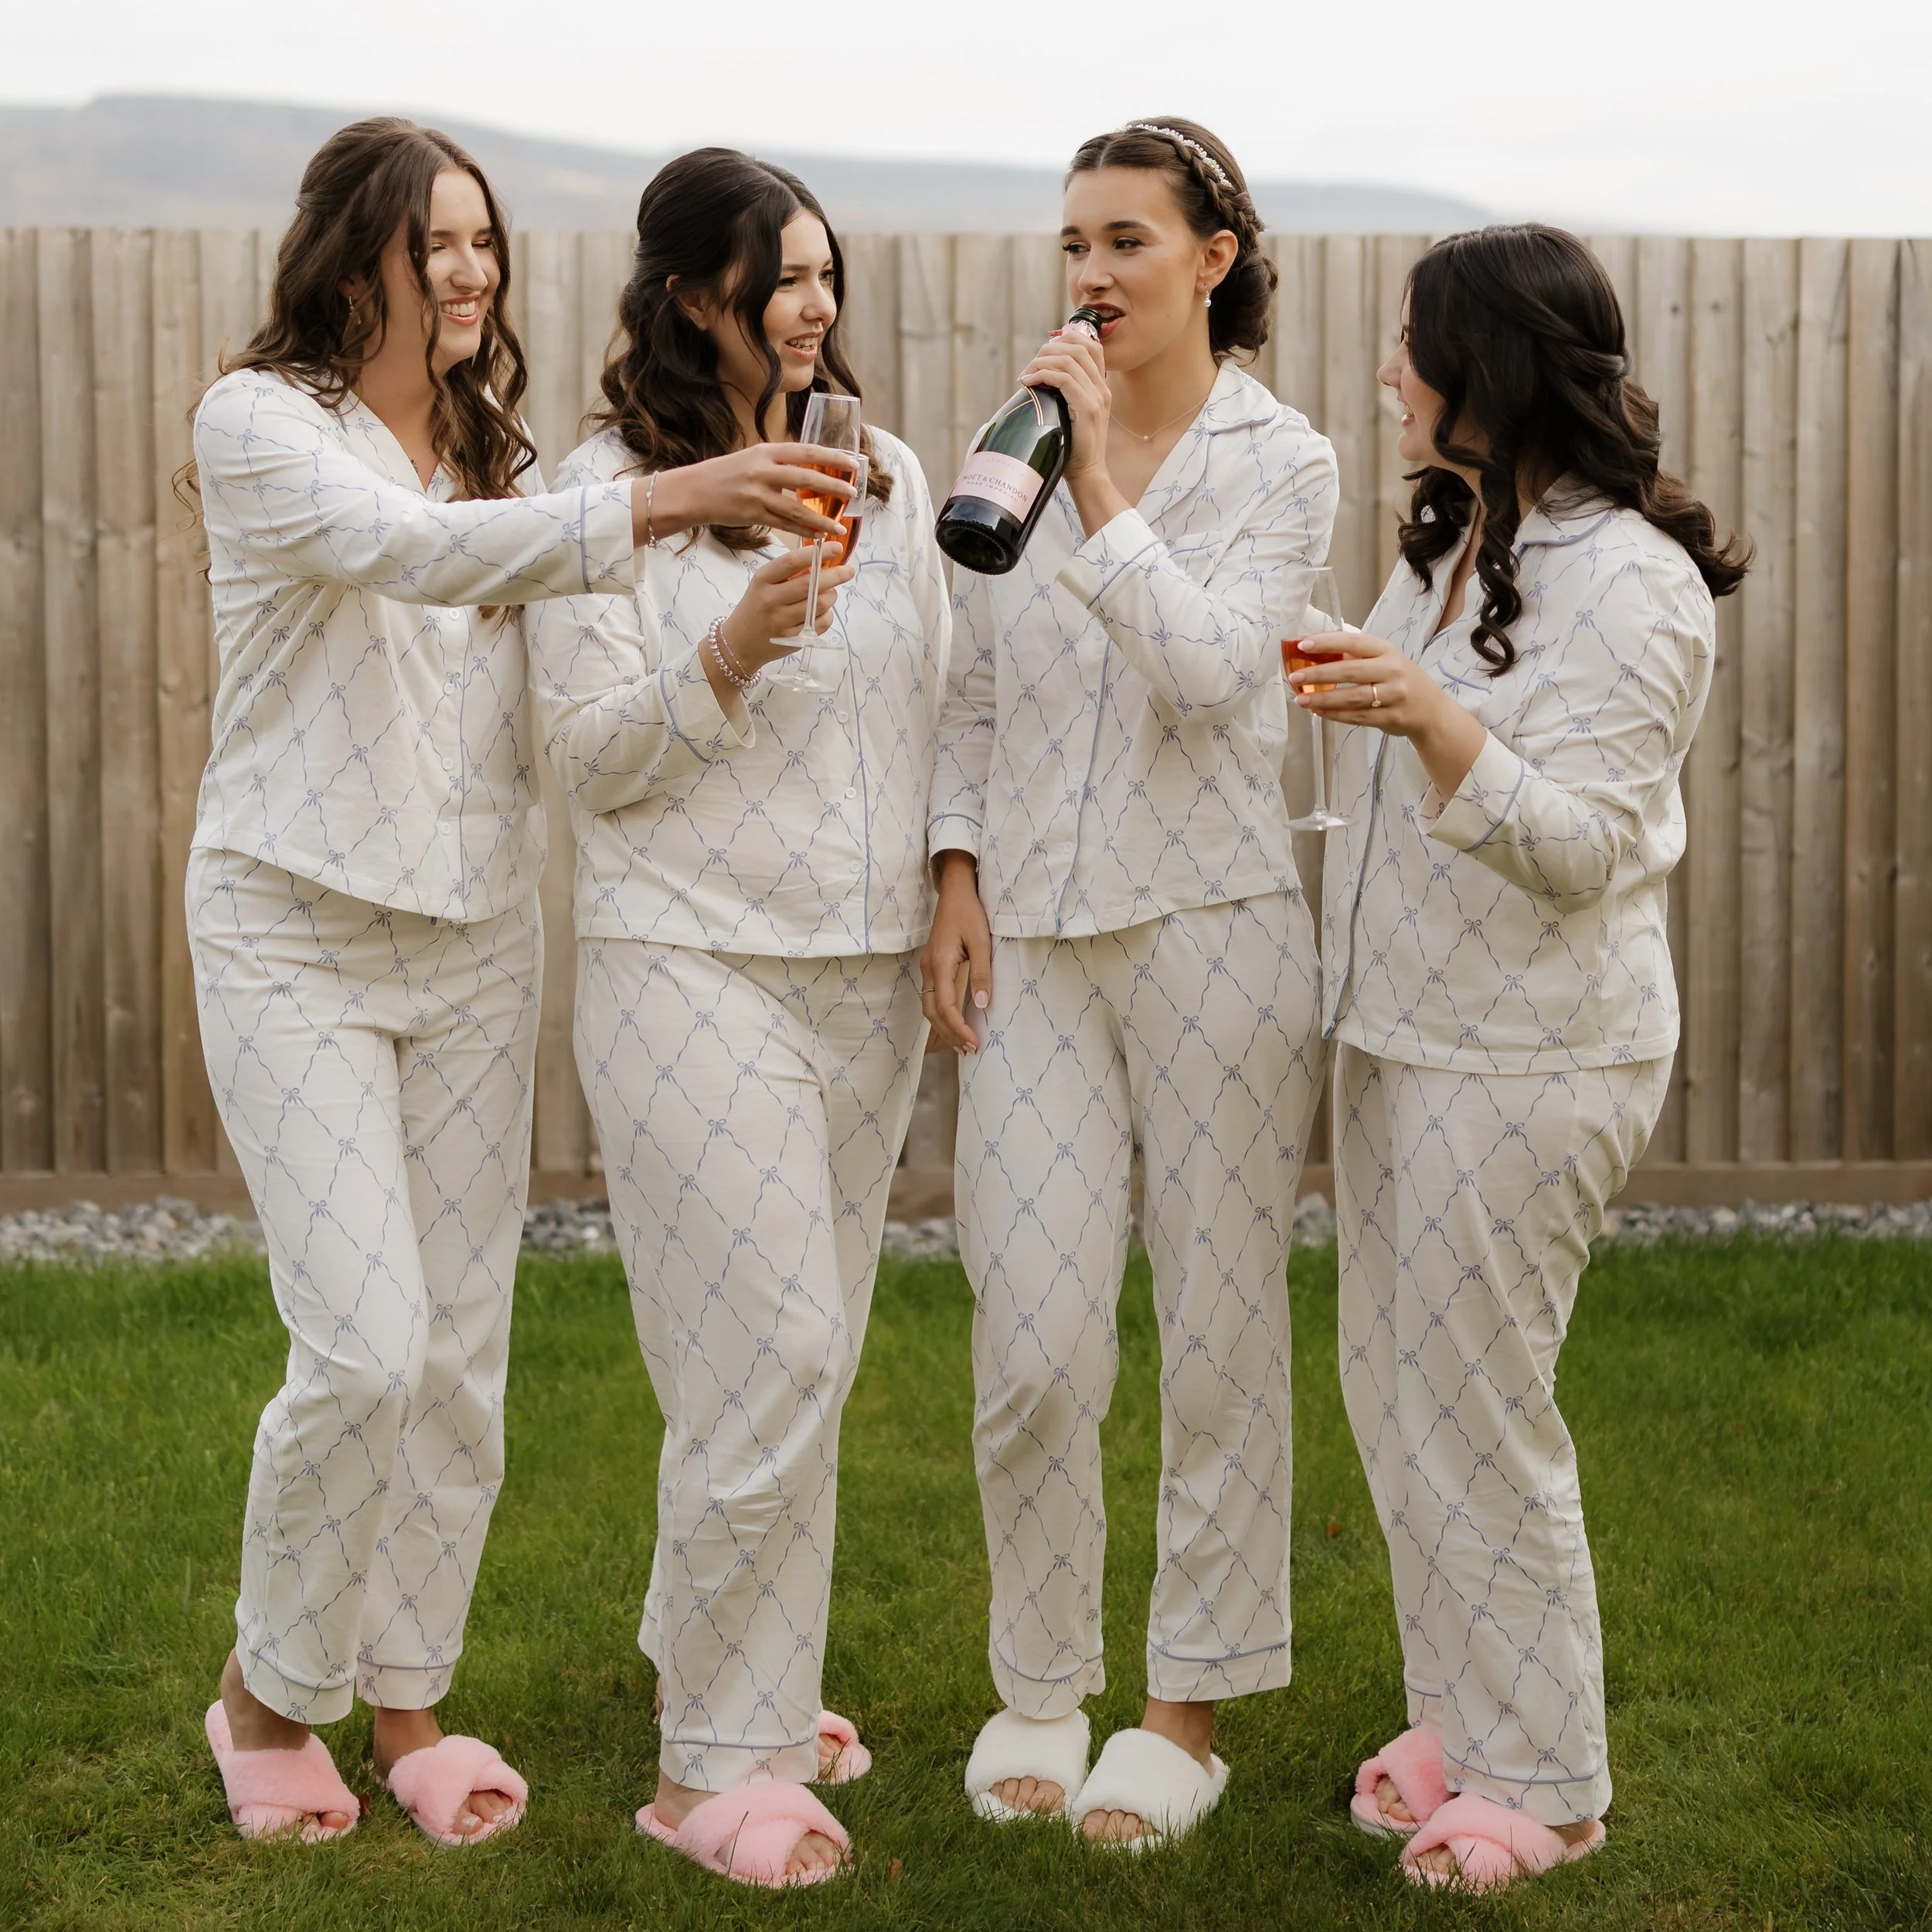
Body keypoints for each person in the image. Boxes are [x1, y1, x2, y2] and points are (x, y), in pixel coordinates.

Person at [187, 117, 852, 1849]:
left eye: (483, 238)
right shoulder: (259, 424)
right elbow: (411, 555)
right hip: (291, 926)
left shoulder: (503, 450)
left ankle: (407, 1698)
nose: (471, 269)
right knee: (362, 1346)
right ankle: (268, 1692)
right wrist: (671, 495)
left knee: (458, 1360)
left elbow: (565, 670)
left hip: (478, 932)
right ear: (352, 259)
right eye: (437, 242)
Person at [1291, 223, 1748, 1893]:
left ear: (1486, 364)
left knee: (1480, 1410)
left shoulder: (1634, 581)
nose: (1386, 371)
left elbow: (1581, 848)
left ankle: (1546, 1786)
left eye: (1408, 343)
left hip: (1531, 1052)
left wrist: (1426, 719)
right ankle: (1461, 1725)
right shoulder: (1456, 538)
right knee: (1397, 1395)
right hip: (1403, 1032)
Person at [526, 148, 947, 1889]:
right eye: (786, 274)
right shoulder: (602, 494)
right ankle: (712, 1766)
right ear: (695, 293)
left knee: (795, 1363)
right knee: (766, 1349)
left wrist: (951, 878)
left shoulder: (884, 471)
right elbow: (582, 757)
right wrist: (732, 651)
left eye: (829, 272)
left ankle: (739, 1662)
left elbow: (944, 698)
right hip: (686, 961)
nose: (815, 303)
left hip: (864, 977)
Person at [921, 117, 1338, 1847]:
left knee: (1219, 1337)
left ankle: (1186, 1711)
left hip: (1214, 930)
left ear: (1212, 260)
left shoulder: (1283, 462)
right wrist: (955, 866)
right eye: (1074, 243)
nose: (1090, 276)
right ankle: (1038, 1683)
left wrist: (1095, 483)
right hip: (1031, 937)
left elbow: (1216, 676)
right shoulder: (1007, 443)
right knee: (1029, 1338)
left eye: (1126, 242)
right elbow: (969, 685)